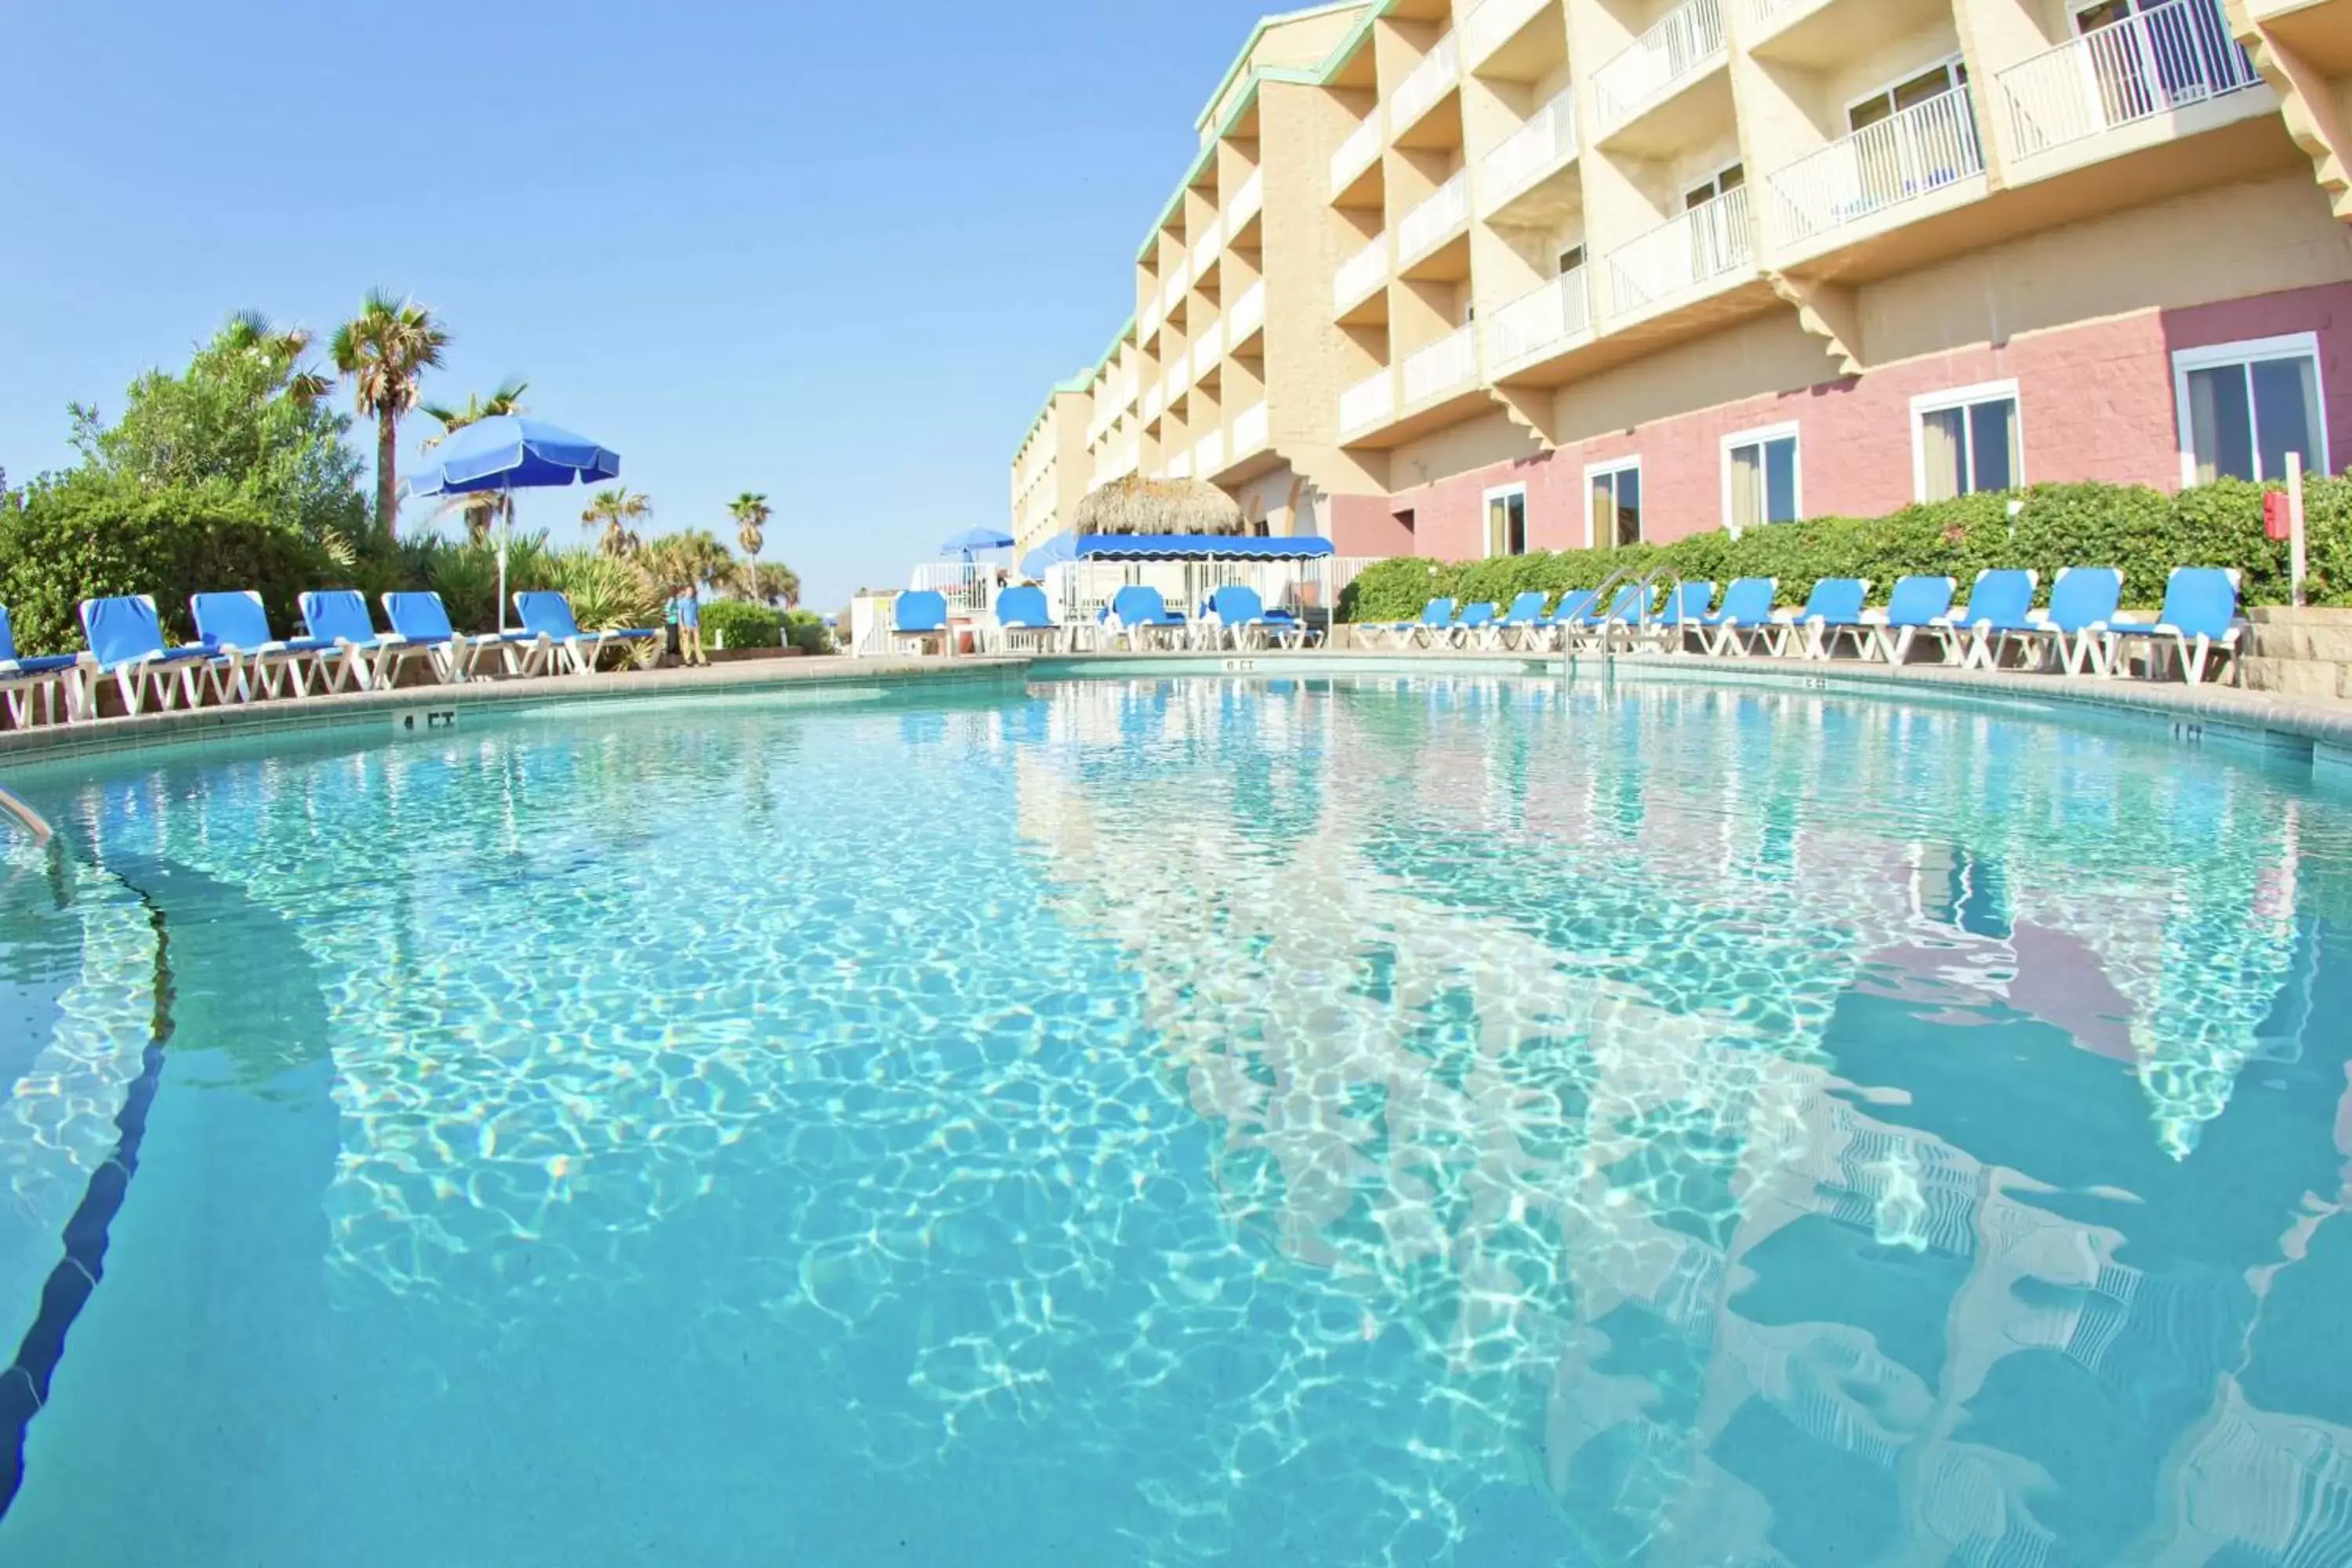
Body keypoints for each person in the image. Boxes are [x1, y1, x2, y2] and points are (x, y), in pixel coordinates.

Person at [679, 583, 707, 667]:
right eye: (688, 591)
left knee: (697, 644)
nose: (690, 592)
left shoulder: (695, 602)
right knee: (687, 644)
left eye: (691, 591)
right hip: (686, 625)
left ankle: (701, 660)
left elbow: (697, 614)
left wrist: (699, 623)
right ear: (685, 592)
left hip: (694, 625)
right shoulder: (682, 602)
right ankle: (688, 660)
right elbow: (680, 615)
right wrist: (682, 626)